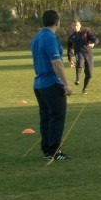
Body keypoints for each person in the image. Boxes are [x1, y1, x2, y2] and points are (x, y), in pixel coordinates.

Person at [31, 10, 73, 161]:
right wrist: (66, 84)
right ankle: (55, 150)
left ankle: (47, 150)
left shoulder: (37, 37)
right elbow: (56, 62)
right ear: (57, 22)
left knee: (46, 118)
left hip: (39, 85)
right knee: (57, 117)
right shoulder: (50, 38)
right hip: (51, 83)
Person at [67, 20, 98, 94]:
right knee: (80, 63)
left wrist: (93, 43)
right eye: (74, 25)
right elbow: (69, 49)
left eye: (77, 25)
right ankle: (77, 79)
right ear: (72, 27)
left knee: (89, 74)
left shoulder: (86, 33)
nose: (76, 27)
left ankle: (84, 89)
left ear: (80, 26)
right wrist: (70, 59)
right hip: (78, 53)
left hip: (88, 54)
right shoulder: (71, 37)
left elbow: (95, 39)